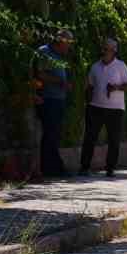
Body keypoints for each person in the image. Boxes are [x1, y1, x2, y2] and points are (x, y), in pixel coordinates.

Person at [82, 37, 127, 177]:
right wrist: (87, 102)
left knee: (114, 139)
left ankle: (110, 169)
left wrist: (116, 87)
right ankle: (84, 167)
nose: (103, 51)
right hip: (95, 107)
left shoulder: (121, 66)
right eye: (103, 48)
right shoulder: (95, 66)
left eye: (107, 49)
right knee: (90, 137)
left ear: (113, 51)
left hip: (116, 109)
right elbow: (90, 86)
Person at [31, 29, 74, 178]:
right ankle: (52, 168)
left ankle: (52, 168)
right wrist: (61, 82)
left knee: (54, 134)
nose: (69, 46)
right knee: (50, 133)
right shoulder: (44, 52)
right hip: (48, 99)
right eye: (68, 43)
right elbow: (40, 74)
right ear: (61, 41)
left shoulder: (59, 56)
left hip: (58, 99)